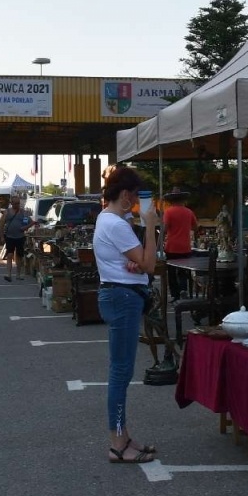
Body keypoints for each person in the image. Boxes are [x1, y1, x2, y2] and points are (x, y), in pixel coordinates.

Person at [93, 164, 159, 464]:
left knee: (121, 370)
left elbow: (137, 262)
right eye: (134, 196)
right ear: (124, 194)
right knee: (121, 372)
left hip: (118, 293)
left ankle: (123, 437)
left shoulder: (108, 219)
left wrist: (135, 263)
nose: (136, 203)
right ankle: (118, 442)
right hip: (123, 299)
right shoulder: (116, 224)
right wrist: (151, 226)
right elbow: (149, 265)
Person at [161, 187, 198, 300]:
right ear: (183, 200)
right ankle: (183, 289)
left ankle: (175, 295)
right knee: (183, 271)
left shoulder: (168, 212)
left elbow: (165, 229)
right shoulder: (189, 212)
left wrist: (161, 241)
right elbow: (195, 227)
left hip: (171, 246)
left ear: (171, 200)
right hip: (185, 246)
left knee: (172, 272)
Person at [2, 198, 33, 281]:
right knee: (9, 255)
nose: (17, 205)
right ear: (11, 203)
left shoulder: (23, 213)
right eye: (15, 203)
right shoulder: (7, 212)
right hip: (9, 236)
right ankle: (8, 274)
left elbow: (30, 222)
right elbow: (1, 223)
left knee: (19, 256)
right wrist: (1, 235)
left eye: (18, 203)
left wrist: (25, 227)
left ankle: (18, 274)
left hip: (20, 237)